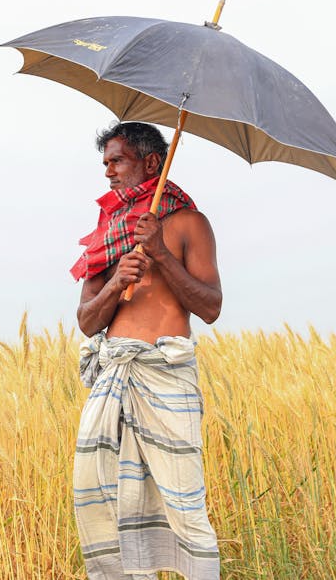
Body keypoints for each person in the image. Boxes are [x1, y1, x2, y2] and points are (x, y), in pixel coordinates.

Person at [72, 121, 222, 580]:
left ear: (151, 162)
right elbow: (87, 321)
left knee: (184, 502)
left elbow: (211, 307)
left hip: (166, 374)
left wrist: (160, 254)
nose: (108, 172)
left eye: (117, 161)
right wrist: (117, 282)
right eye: (105, 163)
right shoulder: (108, 233)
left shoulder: (190, 224)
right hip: (114, 374)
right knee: (99, 498)